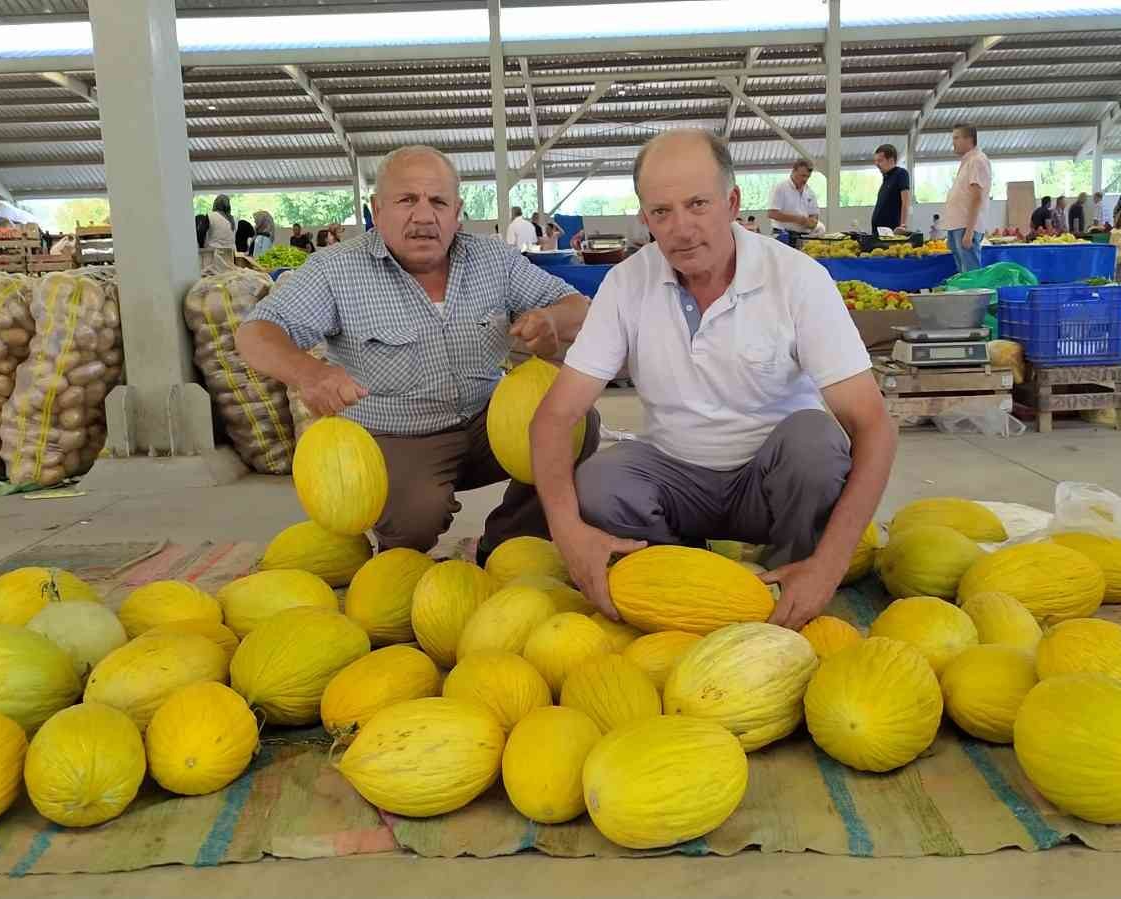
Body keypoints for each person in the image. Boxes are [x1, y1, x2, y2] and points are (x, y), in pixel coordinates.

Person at [528, 128, 897, 630]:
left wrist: (831, 564)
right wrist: (568, 532)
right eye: (661, 212)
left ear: (732, 202)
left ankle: (786, 581)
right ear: (645, 217)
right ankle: (685, 580)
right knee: (600, 482)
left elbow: (874, 424)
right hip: (679, 479)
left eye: (698, 204)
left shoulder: (795, 279)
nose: (681, 229)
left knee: (816, 444)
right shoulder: (626, 284)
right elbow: (553, 418)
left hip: (771, 484)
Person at [235, 145, 596, 558]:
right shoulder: (336, 270)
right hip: (399, 435)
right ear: (376, 209)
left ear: (457, 211)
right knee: (413, 523)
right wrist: (308, 373)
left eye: (438, 202)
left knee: (576, 423)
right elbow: (256, 332)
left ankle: (507, 542)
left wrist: (551, 320)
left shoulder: (493, 259)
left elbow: (577, 307)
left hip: (486, 425)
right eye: (407, 199)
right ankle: (403, 533)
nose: (424, 216)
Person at [942, 124, 992, 272]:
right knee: (963, 273)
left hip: (966, 226)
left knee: (970, 273)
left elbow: (977, 198)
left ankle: (974, 296)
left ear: (969, 139)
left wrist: (969, 232)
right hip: (958, 225)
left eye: (956, 138)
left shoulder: (977, 160)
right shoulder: (968, 162)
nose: (953, 142)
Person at [768, 158, 821, 244]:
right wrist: (798, 219)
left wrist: (812, 222)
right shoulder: (780, 188)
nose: (805, 179)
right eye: (802, 175)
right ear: (793, 171)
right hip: (782, 236)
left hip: (803, 237)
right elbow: (772, 214)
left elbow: (814, 214)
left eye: (808, 176)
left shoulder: (810, 192)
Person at [870, 144, 911, 233]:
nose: (877, 164)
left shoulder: (901, 173)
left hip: (891, 231)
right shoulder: (886, 178)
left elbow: (906, 201)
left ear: (891, 160)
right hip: (879, 231)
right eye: (875, 161)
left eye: (880, 160)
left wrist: (902, 225)